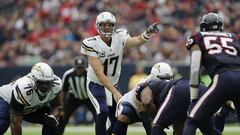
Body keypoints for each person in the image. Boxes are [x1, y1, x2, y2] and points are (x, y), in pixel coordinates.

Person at [80, 11, 161, 135]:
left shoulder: (120, 36)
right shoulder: (91, 43)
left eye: (110, 25)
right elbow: (100, 74)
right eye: (104, 24)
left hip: (113, 83)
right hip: (96, 84)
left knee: (118, 117)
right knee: (102, 112)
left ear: (114, 26)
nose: (107, 27)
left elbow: (137, 40)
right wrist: (114, 92)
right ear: (97, 26)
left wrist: (148, 33)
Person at [183, 12, 240, 135]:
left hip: (223, 77)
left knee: (191, 119)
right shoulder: (234, 37)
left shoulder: (198, 37)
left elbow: (194, 69)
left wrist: (193, 99)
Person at [0, 62, 63, 135]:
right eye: (42, 83)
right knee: (3, 123)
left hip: (28, 107)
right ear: (33, 80)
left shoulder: (56, 84)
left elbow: (57, 106)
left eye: (48, 82)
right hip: (6, 100)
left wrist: (53, 116)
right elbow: (15, 121)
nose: (45, 86)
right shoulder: (23, 88)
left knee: (51, 121)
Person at [113, 62, 174, 135]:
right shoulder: (144, 85)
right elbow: (144, 107)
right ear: (154, 77)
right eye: (163, 78)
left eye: (168, 78)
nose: (166, 81)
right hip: (133, 106)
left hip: (148, 109)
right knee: (124, 115)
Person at [57, 56, 96, 135]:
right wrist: (62, 107)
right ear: (74, 67)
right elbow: (63, 92)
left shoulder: (90, 73)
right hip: (74, 97)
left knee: (99, 115)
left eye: (81, 67)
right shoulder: (68, 75)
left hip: (89, 97)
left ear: (84, 67)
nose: (79, 70)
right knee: (63, 116)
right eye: (78, 68)